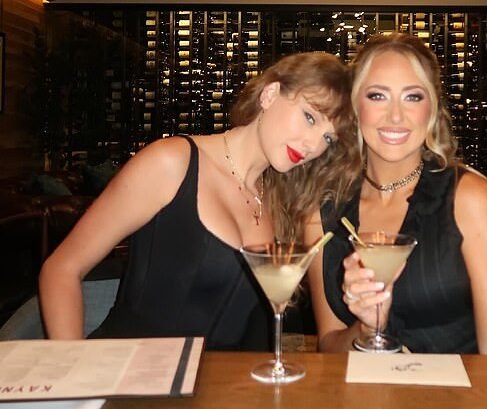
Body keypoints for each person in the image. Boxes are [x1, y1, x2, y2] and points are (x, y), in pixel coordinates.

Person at [39, 51, 358, 350]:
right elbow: (62, 269)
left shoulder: (281, 201)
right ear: (270, 94)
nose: (313, 145)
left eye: (328, 138)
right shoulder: (172, 163)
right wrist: (73, 371)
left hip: (218, 388)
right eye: (310, 117)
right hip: (126, 377)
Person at [305, 33, 487, 354]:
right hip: (370, 386)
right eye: (378, 96)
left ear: (432, 109)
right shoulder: (323, 212)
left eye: (413, 97)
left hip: (466, 384)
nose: (395, 116)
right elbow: (329, 346)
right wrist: (367, 328)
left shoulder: (470, 199)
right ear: (354, 106)